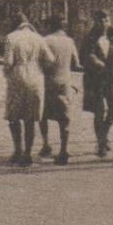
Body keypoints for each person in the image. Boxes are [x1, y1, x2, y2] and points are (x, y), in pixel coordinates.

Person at [2, 12, 52, 166]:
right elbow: (50, 59)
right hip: (36, 79)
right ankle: (28, 153)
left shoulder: (11, 37)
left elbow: (8, 62)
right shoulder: (39, 38)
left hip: (17, 78)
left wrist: (7, 74)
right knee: (30, 118)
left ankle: (17, 150)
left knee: (14, 117)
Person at [80, 11, 113, 157]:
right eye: (100, 20)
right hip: (95, 79)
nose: (103, 23)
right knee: (99, 111)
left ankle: (103, 134)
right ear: (95, 22)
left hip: (111, 78)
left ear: (109, 21)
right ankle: (101, 144)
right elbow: (83, 56)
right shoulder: (89, 38)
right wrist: (93, 59)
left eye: (106, 19)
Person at [38, 17, 81, 163]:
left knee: (43, 115)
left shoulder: (45, 40)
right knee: (64, 118)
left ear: (50, 25)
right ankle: (63, 149)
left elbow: (40, 62)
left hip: (47, 83)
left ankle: (46, 144)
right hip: (64, 83)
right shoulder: (70, 41)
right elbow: (76, 63)